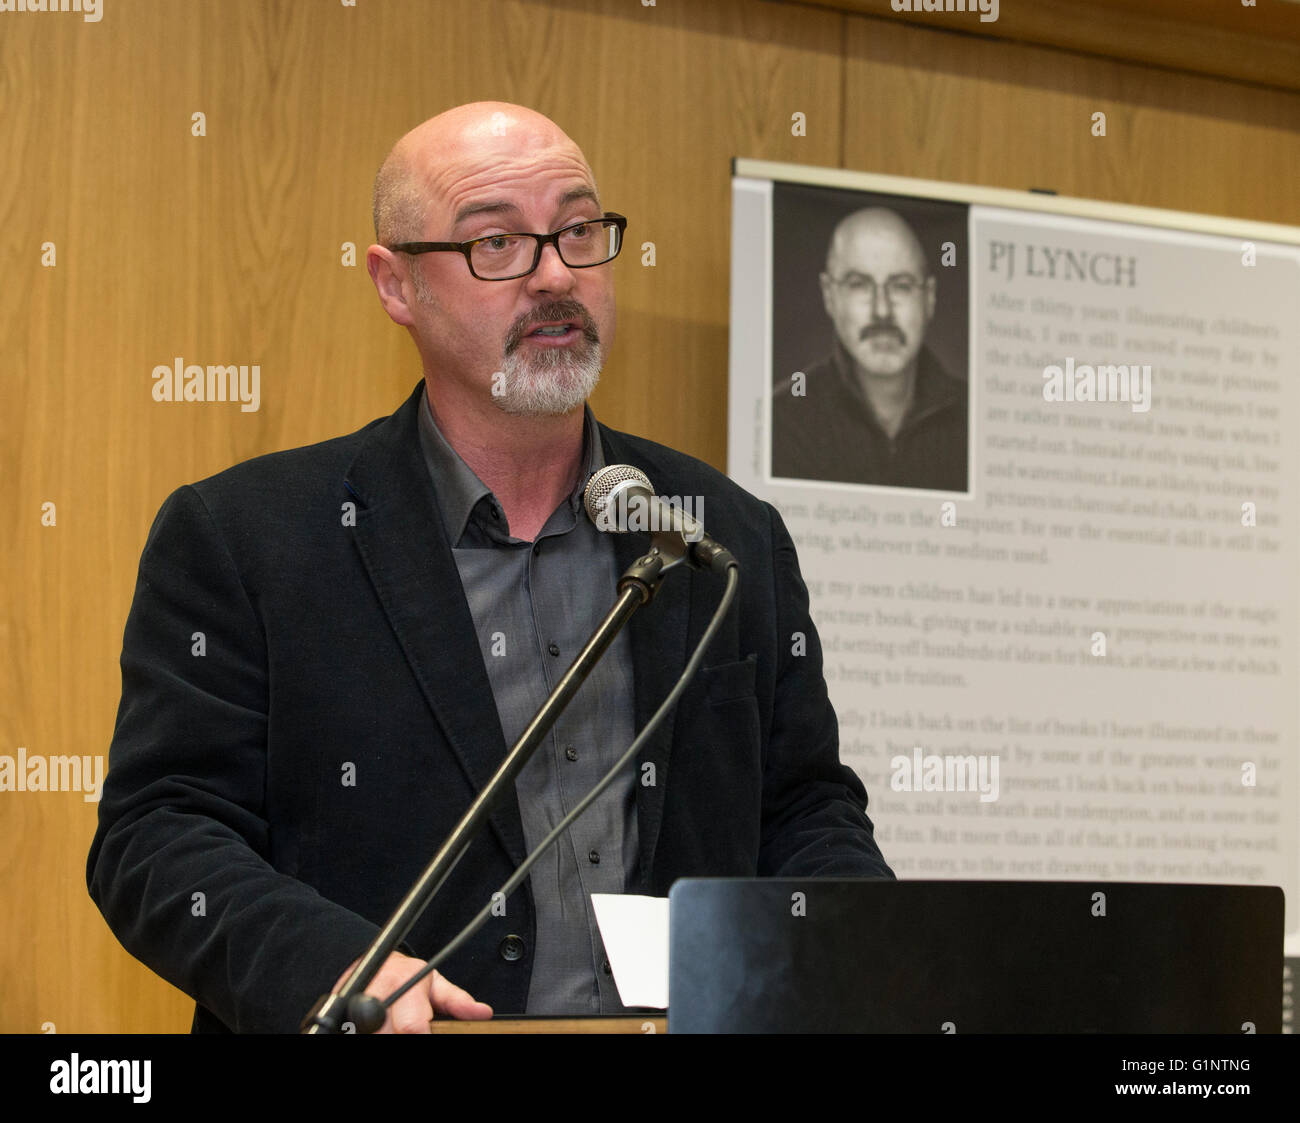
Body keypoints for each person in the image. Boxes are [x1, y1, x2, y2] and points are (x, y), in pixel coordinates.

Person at [87, 102, 893, 1034]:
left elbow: (805, 807)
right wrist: (335, 966)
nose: (556, 275)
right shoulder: (246, 539)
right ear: (396, 285)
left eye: (581, 231)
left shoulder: (722, 534)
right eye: (497, 242)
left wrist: (861, 949)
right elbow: (158, 834)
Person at [772, 206, 968, 491]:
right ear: (829, 295)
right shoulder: (782, 421)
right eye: (859, 285)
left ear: (929, 297)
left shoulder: (975, 420)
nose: (882, 310)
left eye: (901, 285)